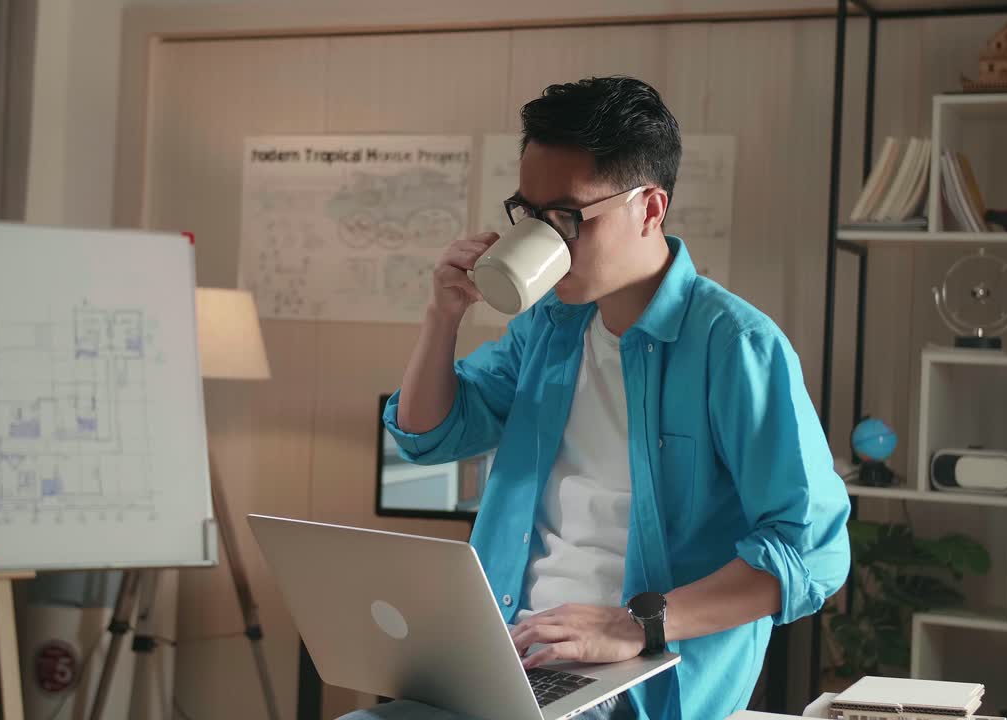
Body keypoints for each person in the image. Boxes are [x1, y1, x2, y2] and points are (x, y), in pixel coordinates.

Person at [353, 76, 851, 720]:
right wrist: (442, 315)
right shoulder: (547, 327)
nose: (545, 240)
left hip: (639, 681)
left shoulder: (735, 346)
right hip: (508, 656)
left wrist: (635, 625)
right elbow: (429, 437)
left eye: (565, 217)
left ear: (650, 208)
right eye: (528, 215)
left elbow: (811, 552)